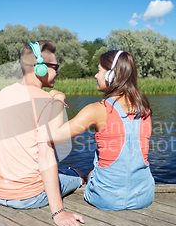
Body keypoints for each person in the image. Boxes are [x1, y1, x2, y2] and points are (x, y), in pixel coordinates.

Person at [0, 40, 85, 226]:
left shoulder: (4, 93)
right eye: (55, 67)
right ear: (40, 68)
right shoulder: (46, 102)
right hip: (29, 196)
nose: (58, 72)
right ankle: (79, 179)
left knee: (62, 171)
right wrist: (58, 212)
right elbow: (46, 156)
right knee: (78, 175)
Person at [48, 50, 154, 211]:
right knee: (94, 172)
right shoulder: (144, 109)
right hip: (144, 196)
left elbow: (55, 135)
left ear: (112, 75)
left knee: (86, 174)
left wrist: (57, 101)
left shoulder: (97, 109)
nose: (96, 76)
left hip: (106, 199)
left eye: (99, 71)